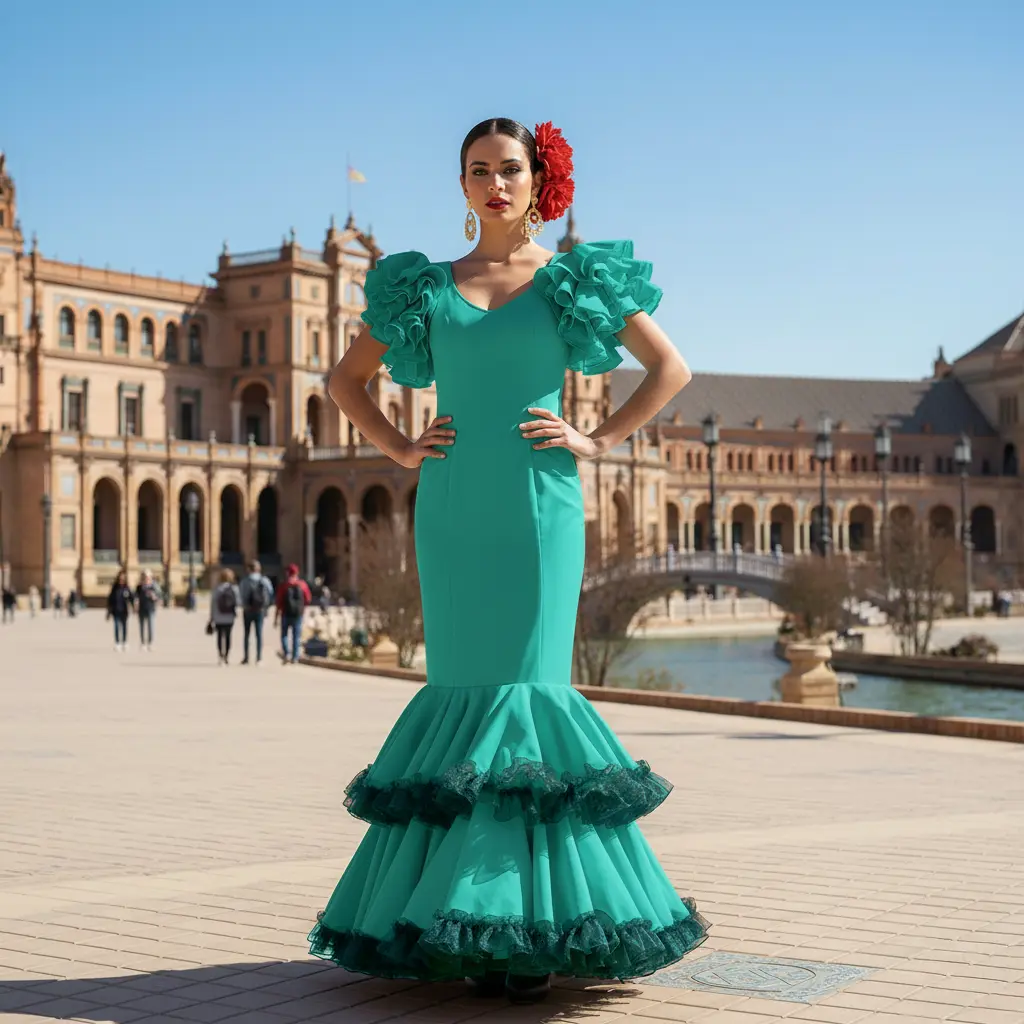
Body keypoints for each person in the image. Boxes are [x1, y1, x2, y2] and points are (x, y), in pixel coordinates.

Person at [306, 118, 707, 1003]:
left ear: (538, 181)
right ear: (461, 185)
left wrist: (595, 437)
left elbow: (670, 368)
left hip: (540, 506)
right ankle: (464, 919)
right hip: (452, 509)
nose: (495, 184)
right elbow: (344, 383)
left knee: (530, 695)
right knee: (461, 691)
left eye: (510, 170)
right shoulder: (424, 285)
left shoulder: (573, 281)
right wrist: (401, 449)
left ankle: (528, 926)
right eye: (479, 171)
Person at [239, 560, 274, 666]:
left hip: (248, 609)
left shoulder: (245, 581)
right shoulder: (264, 580)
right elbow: (271, 593)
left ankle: (246, 657)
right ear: (258, 569)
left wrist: (245, 605)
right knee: (259, 634)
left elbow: (241, 595)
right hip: (260, 610)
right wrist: (266, 606)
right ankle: (259, 658)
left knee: (247, 634)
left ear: (249, 569)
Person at [274, 563, 310, 664]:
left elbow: (279, 602)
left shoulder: (284, 585)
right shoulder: (302, 585)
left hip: (286, 613)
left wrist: (276, 617)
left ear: (287, 573)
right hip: (298, 614)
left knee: (284, 635)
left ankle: (286, 653)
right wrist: (303, 611)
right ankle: (295, 657)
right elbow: (308, 599)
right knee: (296, 636)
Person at [209, 569, 241, 665]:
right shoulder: (234, 588)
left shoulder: (217, 589)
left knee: (219, 636)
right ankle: (226, 656)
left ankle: (220, 655)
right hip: (229, 616)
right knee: (228, 636)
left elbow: (213, 604)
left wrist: (211, 617)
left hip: (218, 616)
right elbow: (238, 602)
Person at [106, 571, 134, 651]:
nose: (121, 580)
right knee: (117, 628)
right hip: (115, 611)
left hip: (124, 611)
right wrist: (108, 612)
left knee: (124, 628)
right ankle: (117, 643)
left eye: (123, 578)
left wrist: (134, 606)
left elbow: (131, 598)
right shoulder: (114, 588)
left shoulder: (127, 588)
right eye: (120, 578)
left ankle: (125, 642)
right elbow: (110, 599)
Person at [135, 570, 162, 651]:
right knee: (142, 627)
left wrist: (155, 597)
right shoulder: (139, 587)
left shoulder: (154, 586)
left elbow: (159, 597)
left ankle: (150, 643)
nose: (146, 579)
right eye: (145, 577)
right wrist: (136, 604)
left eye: (148, 577)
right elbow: (136, 597)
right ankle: (143, 643)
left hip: (151, 609)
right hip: (141, 609)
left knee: (151, 627)